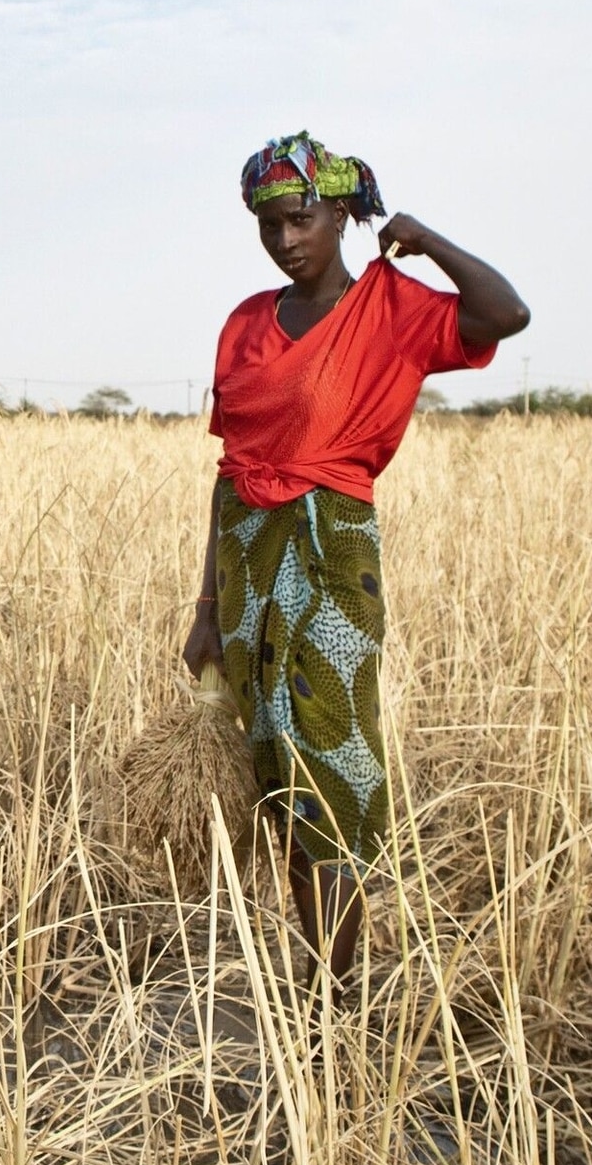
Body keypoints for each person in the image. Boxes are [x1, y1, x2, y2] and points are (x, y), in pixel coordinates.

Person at [180, 136, 528, 966]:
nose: (285, 240)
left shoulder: (393, 308)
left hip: (333, 551)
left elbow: (506, 314)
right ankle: (317, 962)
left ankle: (342, 976)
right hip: (245, 554)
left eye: (300, 219)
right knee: (271, 755)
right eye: (269, 225)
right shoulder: (244, 324)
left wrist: (431, 241)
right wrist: (204, 608)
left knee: (329, 752)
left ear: (341, 213)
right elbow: (229, 473)